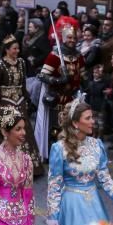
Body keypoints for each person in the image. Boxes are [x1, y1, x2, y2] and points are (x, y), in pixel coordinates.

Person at [0, 33, 44, 176]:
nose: (17, 51)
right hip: (4, 103)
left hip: (19, 103)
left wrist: (27, 99)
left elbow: (22, 84)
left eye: (18, 49)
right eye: (14, 49)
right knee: (2, 133)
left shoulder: (22, 63)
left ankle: (22, 165)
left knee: (23, 132)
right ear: (7, 49)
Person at [36, 20, 83, 158]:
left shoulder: (79, 56)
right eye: (69, 37)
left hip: (73, 99)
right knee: (56, 130)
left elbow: (83, 75)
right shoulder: (54, 56)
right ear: (63, 38)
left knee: (71, 129)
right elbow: (42, 75)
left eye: (74, 38)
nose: (72, 40)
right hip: (57, 99)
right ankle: (54, 156)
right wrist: (59, 80)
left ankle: (68, 153)